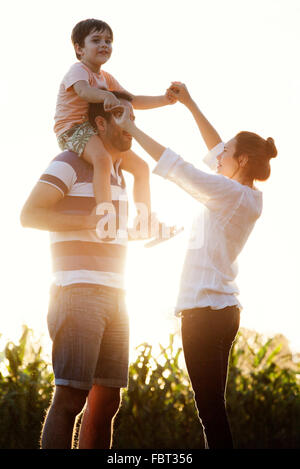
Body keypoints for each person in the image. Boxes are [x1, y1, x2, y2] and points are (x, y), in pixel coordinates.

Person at [114, 82, 277, 449]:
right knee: (213, 408)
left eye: (226, 154)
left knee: (210, 411)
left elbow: (179, 168)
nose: (218, 156)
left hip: (204, 312)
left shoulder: (228, 192)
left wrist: (133, 128)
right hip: (222, 310)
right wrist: (189, 104)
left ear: (243, 161)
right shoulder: (246, 195)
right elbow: (216, 147)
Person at [20, 92, 140, 449]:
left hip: (119, 295)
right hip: (78, 292)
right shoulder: (68, 163)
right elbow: (29, 215)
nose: (132, 126)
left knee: (107, 403)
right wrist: (85, 220)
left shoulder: (118, 174)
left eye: (134, 118)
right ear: (100, 124)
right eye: (123, 117)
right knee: (71, 398)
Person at [55, 18, 176, 236]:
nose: (104, 45)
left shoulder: (106, 78)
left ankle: (144, 220)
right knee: (102, 159)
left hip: (95, 131)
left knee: (141, 168)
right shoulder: (78, 70)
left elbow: (132, 100)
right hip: (72, 129)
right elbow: (83, 91)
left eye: (108, 41)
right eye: (96, 40)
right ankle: (105, 215)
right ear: (79, 49)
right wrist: (105, 95)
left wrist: (164, 100)